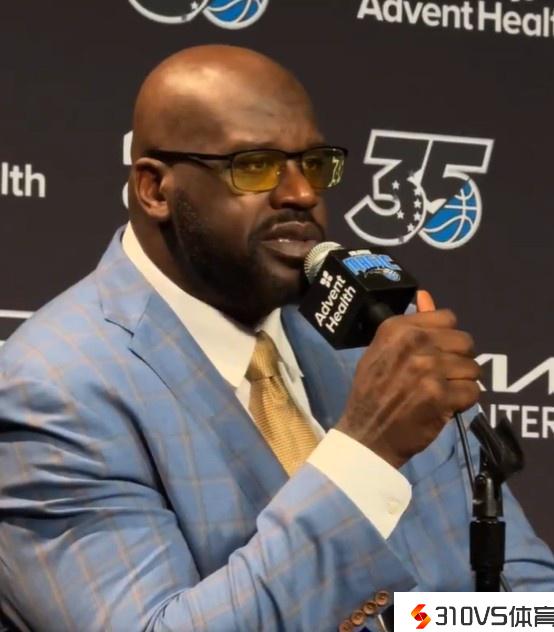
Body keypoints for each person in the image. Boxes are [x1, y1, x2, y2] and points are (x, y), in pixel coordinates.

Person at [0, 45, 552, 632]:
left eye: (313, 165)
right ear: (155, 189)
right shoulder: (54, 389)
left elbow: (525, 599)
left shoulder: (370, 331)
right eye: (255, 166)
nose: (301, 194)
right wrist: (365, 453)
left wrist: (417, 621)